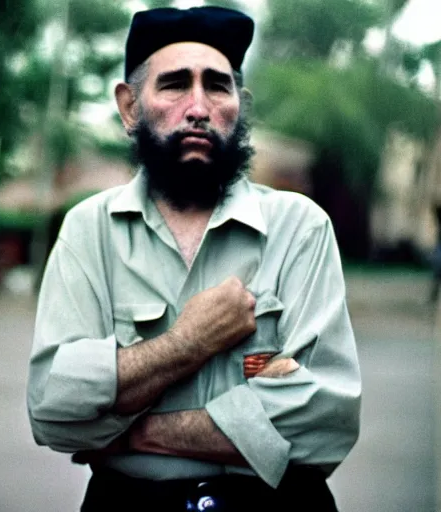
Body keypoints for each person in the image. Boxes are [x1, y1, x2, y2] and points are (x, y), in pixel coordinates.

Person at [27, 6, 361, 511]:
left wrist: (131, 430)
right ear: (130, 106)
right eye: (175, 85)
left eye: (218, 86)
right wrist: (189, 343)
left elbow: (326, 422)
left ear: (239, 105)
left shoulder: (300, 228)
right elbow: (52, 409)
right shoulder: (88, 230)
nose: (199, 106)